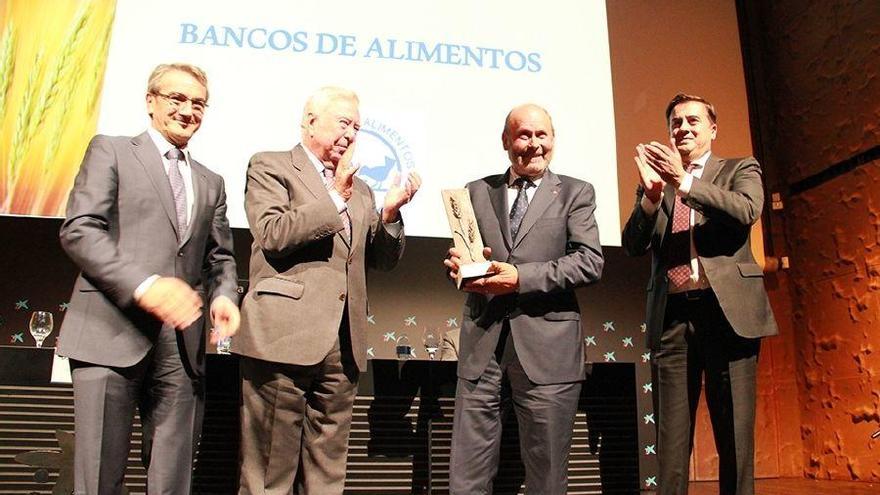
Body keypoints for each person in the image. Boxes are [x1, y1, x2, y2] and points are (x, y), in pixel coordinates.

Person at [58, 63, 240, 495]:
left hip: (181, 348)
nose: (187, 110)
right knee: (99, 479)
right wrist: (145, 285)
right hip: (108, 333)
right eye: (176, 98)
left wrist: (225, 297)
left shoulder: (211, 182)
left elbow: (220, 259)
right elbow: (80, 229)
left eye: (198, 103)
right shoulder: (112, 150)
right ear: (151, 101)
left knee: (173, 481)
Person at [232, 86, 421, 494]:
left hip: (342, 345)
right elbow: (273, 233)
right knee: (269, 471)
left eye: (356, 127)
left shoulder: (362, 191)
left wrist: (389, 214)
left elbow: (381, 261)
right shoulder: (271, 166)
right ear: (310, 121)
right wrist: (335, 195)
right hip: (283, 338)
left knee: (327, 473)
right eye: (343, 123)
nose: (351, 134)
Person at [443, 103, 604, 494]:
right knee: (465, 477)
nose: (533, 144)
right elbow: (469, 255)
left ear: (553, 140)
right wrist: (459, 270)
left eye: (541, 135)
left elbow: (589, 262)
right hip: (483, 348)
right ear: (505, 141)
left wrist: (520, 278)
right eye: (523, 135)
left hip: (549, 353)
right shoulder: (475, 192)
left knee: (547, 478)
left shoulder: (575, 193)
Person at [622, 93, 778, 495]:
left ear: (713, 128)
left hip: (728, 315)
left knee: (735, 437)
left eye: (692, 120)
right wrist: (652, 198)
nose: (683, 128)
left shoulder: (739, 167)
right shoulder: (660, 185)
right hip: (673, 317)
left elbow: (745, 211)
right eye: (675, 122)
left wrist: (685, 182)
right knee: (671, 443)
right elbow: (633, 245)